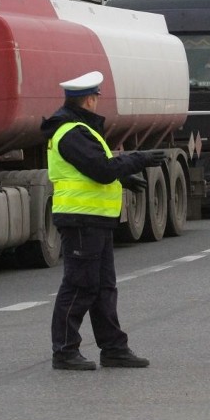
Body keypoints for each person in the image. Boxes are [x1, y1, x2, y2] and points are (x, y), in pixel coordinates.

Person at [40, 70, 166, 371]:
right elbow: (101, 168)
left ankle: (113, 349)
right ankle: (65, 351)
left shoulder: (79, 129)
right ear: (89, 99)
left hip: (95, 219)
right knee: (80, 285)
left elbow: (96, 170)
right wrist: (139, 159)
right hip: (81, 219)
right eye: (97, 96)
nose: (98, 101)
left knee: (103, 286)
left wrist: (124, 178)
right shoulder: (71, 132)